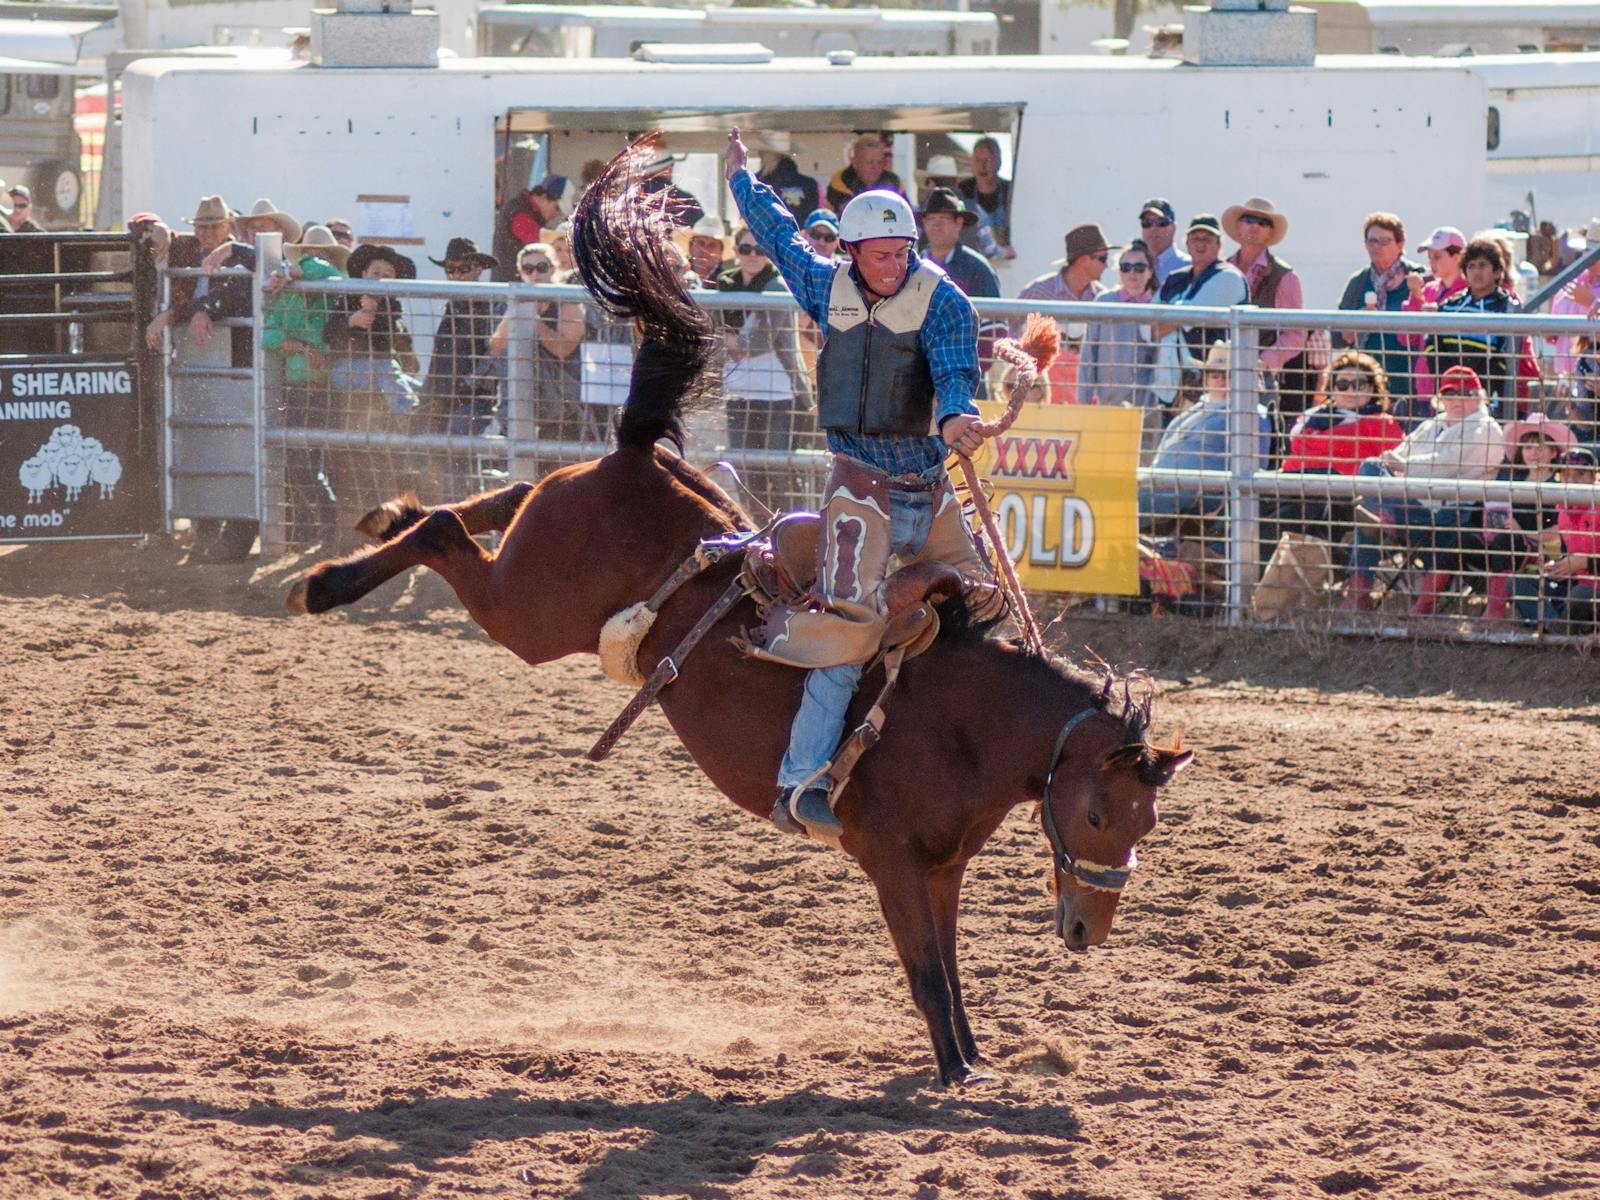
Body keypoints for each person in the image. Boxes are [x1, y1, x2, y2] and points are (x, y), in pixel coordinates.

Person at [726, 127, 990, 841]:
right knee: (853, 627)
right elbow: (778, 234)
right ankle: (802, 781)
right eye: (881, 254)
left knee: (987, 603)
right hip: (859, 490)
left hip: (926, 487)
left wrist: (959, 414)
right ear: (851, 253)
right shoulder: (822, 283)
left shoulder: (944, 301)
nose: (894, 265)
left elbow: (957, 371)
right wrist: (741, 179)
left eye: (903, 252)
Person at [1341, 365, 1505, 615]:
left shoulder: (1487, 429)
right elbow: (1400, 452)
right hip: (1413, 503)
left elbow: (1446, 466)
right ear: (1441, 397)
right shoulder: (1431, 425)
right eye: (1450, 394)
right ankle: (1383, 519)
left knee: (1370, 517)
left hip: (1448, 519)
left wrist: (1402, 466)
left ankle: (1360, 593)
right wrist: (1394, 462)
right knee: (1372, 469)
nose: (1457, 400)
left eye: (1466, 393)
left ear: (1479, 397)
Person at [716, 226, 814, 512]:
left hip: (778, 394)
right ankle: (758, 527)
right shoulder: (725, 283)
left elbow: (760, 341)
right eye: (745, 249)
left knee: (778, 470)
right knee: (744, 468)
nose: (752, 255)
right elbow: (712, 332)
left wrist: (731, 339)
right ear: (735, 253)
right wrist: (734, 340)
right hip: (737, 391)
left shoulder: (776, 285)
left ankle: (790, 531)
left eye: (759, 250)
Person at [263, 225, 349, 547]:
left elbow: (324, 270)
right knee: (300, 460)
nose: (319, 260)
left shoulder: (329, 284)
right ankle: (322, 522)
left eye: (323, 254)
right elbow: (268, 336)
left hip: (325, 388)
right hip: (301, 389)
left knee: (318, 458)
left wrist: (292, 270)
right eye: (314, 253)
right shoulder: (291, 294)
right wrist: (300, 347)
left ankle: (325, 525)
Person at [1268, 351, 1404, 551]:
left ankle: (1225, 559)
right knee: (1258, 493)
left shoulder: (1382, 423)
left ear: (1372, 388)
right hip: (1295, 489)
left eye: (1358, 384)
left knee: (1320, 487)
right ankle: (1221, 558)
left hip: (1347, 501)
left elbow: (1393, 469)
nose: (1350, 390)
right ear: (1331, 389)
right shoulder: (1310, 420)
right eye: (1342, 385)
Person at [1138, 340, 1273, 523]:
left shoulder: (1250, 413)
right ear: (1206, 378)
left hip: (1196, 497)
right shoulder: (1194, 410)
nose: (1221, 381)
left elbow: (1256, 469)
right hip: (1159, 488)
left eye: (1228, 375)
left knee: (1124, 503)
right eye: (1214, 375)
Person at [1222, 197, 1310, 440]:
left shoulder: (1284, 276)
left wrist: (1262, 361)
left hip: (1260, 378)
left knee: (1258, 441)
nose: (1254, 226)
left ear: (1270, 232)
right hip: (1219, 373)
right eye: (1248, 220)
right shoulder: (1223, 269)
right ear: (1238, 227)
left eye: (1262, 222)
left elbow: (1295, 334)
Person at [419, 237, 502, 496]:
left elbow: (493, 357)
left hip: (474, 399)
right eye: (450, 270)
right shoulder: (453, 305)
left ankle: (457, 516)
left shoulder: (492, 304)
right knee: (425, 447)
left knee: (456, 445)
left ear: (478, 269)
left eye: (463, 269)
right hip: (443, 397)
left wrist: (465, 384)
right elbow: (438, 359)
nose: (456, 275)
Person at [1476, 415, 1575, 623]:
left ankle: (1495, 610)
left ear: (1554, 452)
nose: (1533, 453)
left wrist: (1522, 533)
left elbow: (1561, 529)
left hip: (1544, 550)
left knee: (1505, 542)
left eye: (1540, 447)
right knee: (1464, 539)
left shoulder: (1559, 487)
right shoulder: (1513, 482)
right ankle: (1424, 605)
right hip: (1508, 543)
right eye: (1528, 447)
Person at [489, 242, 586, 440]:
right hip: (520, 401)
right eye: (528, 269)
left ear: (553, 268)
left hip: (563, 406)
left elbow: (564, 349)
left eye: (542, 268)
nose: (535, 274)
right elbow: (496, 347)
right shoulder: (515, 301)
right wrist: (517, 310)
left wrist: (533, 320)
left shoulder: (568, 301)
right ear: (520, 273)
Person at [1151, 215, 1248, 407]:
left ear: (1219, 244)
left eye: (1207, 239)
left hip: (1217, 387)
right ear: (1186, 243)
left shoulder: (1229, 277)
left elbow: (1187, 317)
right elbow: (1148, 327)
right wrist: (1168, 321)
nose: (1200, 244)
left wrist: (1167, 320)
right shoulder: (1175, 279)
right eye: (1195, 238)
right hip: (1169, 388)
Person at [1336, 212, 1424, 410]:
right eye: (1372, 241)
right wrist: (1357, 321)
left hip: (1410, 383)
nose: (1377, 247)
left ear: (1400, 244)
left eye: (1384, 241)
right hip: (1367, 386)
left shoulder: (1419, 279)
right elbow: (1337, 337)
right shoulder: (1358, 282)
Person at [1425, 236, 1520, 414]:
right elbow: (1433, 344)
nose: (1477, 272)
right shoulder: (1450, 305)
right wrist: (1451, 383)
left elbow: (1507, 355)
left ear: (1497, 271)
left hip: (1487, 399)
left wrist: (1477, 387)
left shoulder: (1507, 307)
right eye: (1471, 266)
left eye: (1483, 265)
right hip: (1449, 394)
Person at [1511, 446, 1600, 632]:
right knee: (1517, 582)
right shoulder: (1562, 511)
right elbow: (1570, 556)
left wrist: (1583, 563)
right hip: (1576, 584)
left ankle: (1557, 624)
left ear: (1594, 478)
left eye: (1581, 474)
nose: (1572, 480)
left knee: (1579, 596)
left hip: (1589, 590)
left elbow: (1581, 561)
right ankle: (1555, 624)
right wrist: (1559, 566)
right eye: (1566, 475)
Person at [1020, 223, 1110, 404]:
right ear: (1084, 259)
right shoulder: (1037, 293)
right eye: (1102, 258)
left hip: (1084, 402)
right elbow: (1014, 338)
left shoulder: (1102, 297)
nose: (1106, 265)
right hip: (1040, 401)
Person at [1079, 239, 1156, 424]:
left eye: (1139, 267)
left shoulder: (1157, 305)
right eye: (1125, 267)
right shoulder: (1105, 301)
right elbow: (1088, 355)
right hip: (1107, 406)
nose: (1132, 273)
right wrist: (1083, 405)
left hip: (1147, 411)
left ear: (1150, 272)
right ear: (1118, 271)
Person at [1400, 226, 1467, 401]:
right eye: (1430, 258)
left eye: (1437, 257)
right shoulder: (1428, 289)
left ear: (1458, 257)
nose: (1431, 263)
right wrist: (1415, 297)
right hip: (1426, 386)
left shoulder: (1469, 292)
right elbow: (1406, 338)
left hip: (1457, 387)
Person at [917, 188, 1000, 299]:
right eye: (931, 219)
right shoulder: (913, 266)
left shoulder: (978, 269)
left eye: (943, 219)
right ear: (924, 224)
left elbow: (993, 313)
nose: (936, 225)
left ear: (959, 223)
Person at [494, 172, 568, 279]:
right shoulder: (518, 212)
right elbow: (539, 242)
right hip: (512, 289)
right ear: (543, 197)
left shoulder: (522, 209)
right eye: (557, 208)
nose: (556, 215)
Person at [956, 136, 1015, 260]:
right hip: (973, 260)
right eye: (978, 160)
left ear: (999, 163)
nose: (982, 166)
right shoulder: (963, 189)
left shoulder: (1009, 191)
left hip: (1005, 262)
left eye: (987, 160)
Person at [824, 133, 904, 212]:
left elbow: (907, 212)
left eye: (879, 162)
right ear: (855, 163)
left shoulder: (894, 182)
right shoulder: (840, 182)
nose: (875, 167)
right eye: (869, 162)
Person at [1138, 199, 1189, 286]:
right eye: (1147, 223)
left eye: (1161, 222)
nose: (1153, 228)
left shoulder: (1188, 266)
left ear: (1173, 227)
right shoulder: (1131, 266)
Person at [757, 153, 821, 219]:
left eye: (761, 156)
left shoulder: (762, 183)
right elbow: (814, 213)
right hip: (800, 227)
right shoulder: (809, 183)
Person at [685, 215, 732, 287]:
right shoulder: (677, 277)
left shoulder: (729, 282)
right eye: (701, 243)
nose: (705, 249)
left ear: (721, 252)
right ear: (690, 248)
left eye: (712, 245)